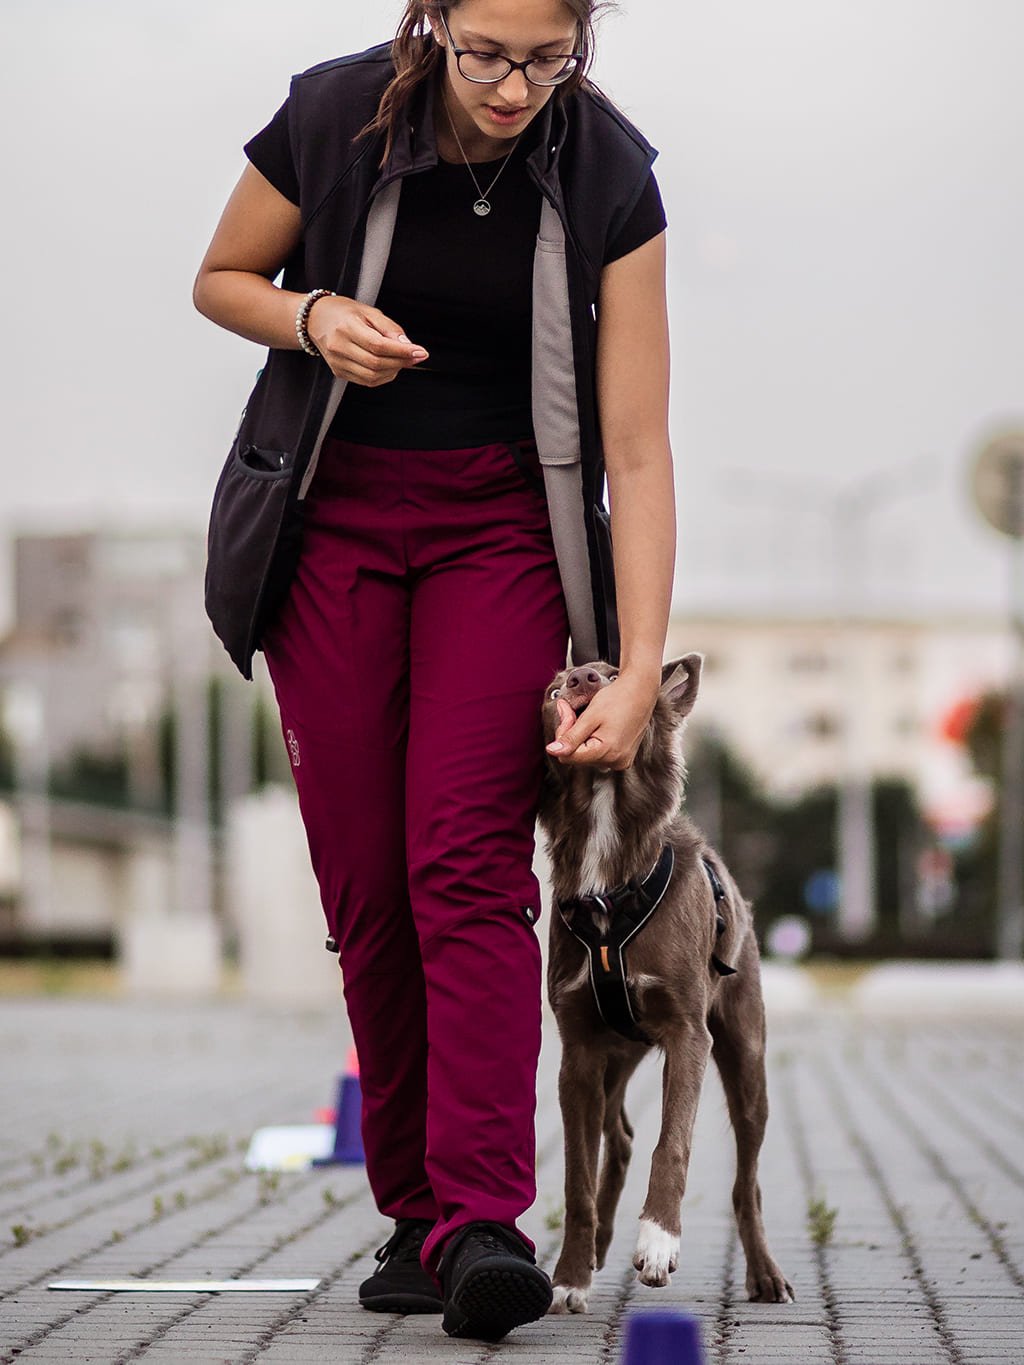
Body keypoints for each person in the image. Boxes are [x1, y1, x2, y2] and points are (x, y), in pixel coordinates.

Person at [193, 0, 675, 1342]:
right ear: (433, 22)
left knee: (460, 858)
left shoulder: (609, 172)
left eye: (546, 55)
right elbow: (222, 275)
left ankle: (478, 1217)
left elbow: (636, 448)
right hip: (332, 527)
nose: (514, 86)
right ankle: (416, 1217)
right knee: (365, 878)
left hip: (499, 530)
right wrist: (314, 319)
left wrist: (635, 670)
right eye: (486, 54)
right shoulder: (334, 114)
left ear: (582, 35)